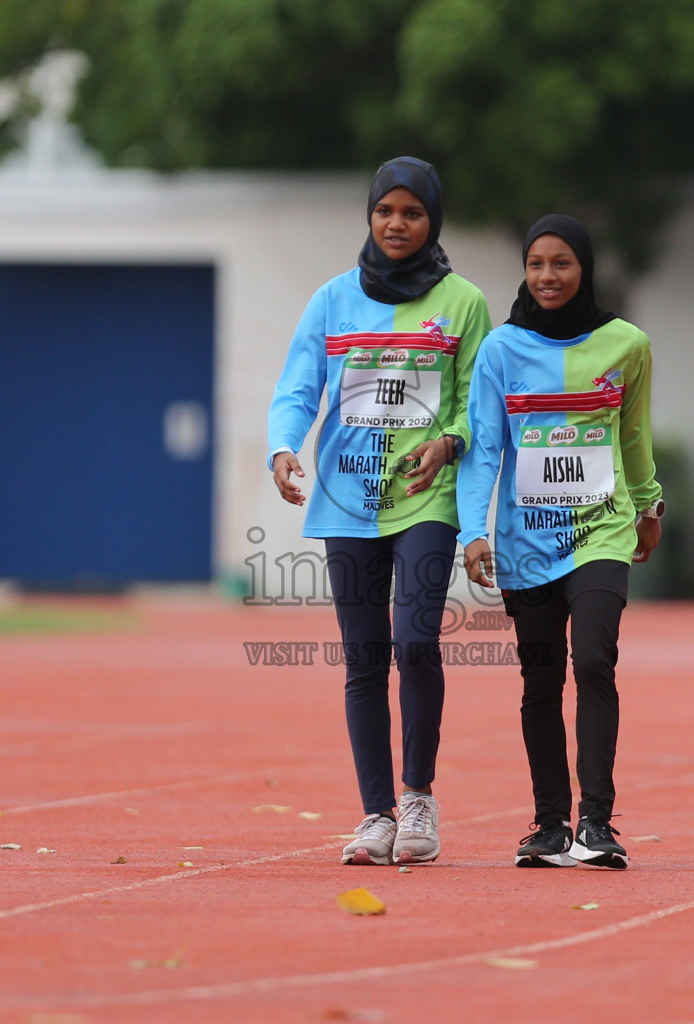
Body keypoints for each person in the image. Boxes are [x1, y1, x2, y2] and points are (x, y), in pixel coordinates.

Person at [267, 157, 490, 865]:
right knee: (364, 659)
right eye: (385, 211)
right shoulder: (331, 301)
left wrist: (450, 442)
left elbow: (475, 404)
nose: (397, 224)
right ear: (369, 216)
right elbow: (299, 384)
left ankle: (419, 796)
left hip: (425, 498)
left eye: (412, 213)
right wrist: (282, 447)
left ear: (433, 222)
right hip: (344, 500)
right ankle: (376, 815)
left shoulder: (464, 304)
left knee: (415, 642)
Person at [458, 215, 662, 870]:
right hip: (526, 542)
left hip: (600, 530)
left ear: (586, 269)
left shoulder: (627, 344)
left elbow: (633, 437)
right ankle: (549, 826)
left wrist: (650, 503)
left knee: (595, 661)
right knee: (540, 681)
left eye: (562, 263)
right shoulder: (500, 350)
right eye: (537, 263)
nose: (548, 276)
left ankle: (596, 824)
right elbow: (485, 450)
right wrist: (473, 531)